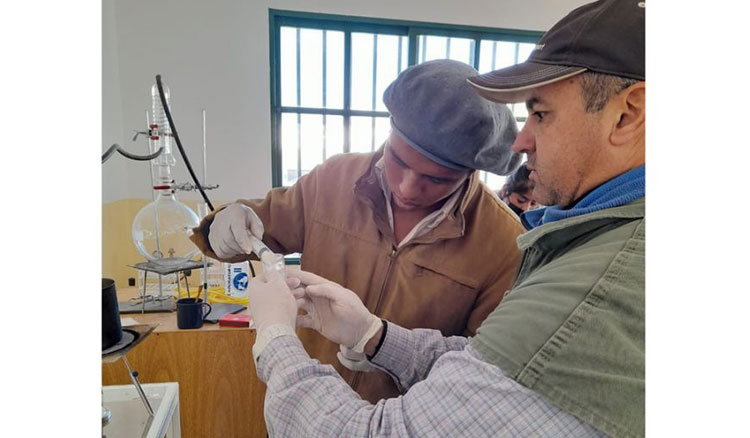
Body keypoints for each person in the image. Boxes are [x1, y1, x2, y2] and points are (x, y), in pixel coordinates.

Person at [245, 0, 646, 436]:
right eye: (397, 160)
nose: (524, 140)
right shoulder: (588, 243)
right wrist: (375, 335)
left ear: (627, 114)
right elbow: (493, 363)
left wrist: (274, 338)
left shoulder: (583, 275)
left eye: (541, 113)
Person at [190, 59, 526, 402]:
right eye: (398, 160)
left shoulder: (502, 243)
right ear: (389, 132)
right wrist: (225, 222)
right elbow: (265, 226)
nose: (408, 189)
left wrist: (388, 350)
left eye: (436, 179)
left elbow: (485, 368)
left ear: (472, 171)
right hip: (307, 409)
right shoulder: (334, 178)